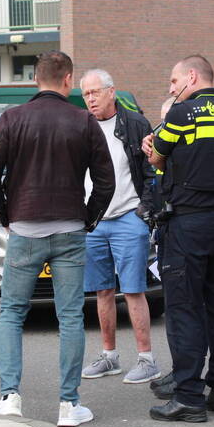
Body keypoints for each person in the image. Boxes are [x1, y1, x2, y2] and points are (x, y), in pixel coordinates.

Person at [0, 51, 115, 427]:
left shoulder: (13, 119)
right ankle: (69, 405)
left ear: (35, 80)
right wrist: (89, 217)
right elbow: (107, 181)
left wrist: (6, 215)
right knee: (70, 316)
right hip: (71, 228)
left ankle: (9, 397)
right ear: (68, 80)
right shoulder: (83, 121)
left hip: (24, 229)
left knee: (11, 313)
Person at [141, 54, 214, 422]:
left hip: (189, 223)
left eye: (173, 82)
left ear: (191, 77)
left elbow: (159, 158)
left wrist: (151, 151)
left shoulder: (182, 114)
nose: (171, 89)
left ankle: (187, 396)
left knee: (184, 308)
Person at [78, 69, 161, 385]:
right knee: (102, 290)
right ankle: (109, 357)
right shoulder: (82, 127)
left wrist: (145, 212)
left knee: (134, 290)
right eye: (86, 94)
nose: (90, 99)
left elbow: (151, 171)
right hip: (95, 221)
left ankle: (146, 359)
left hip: (129, 217)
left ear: (111, 91)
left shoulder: (135, 124)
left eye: (95, 92)